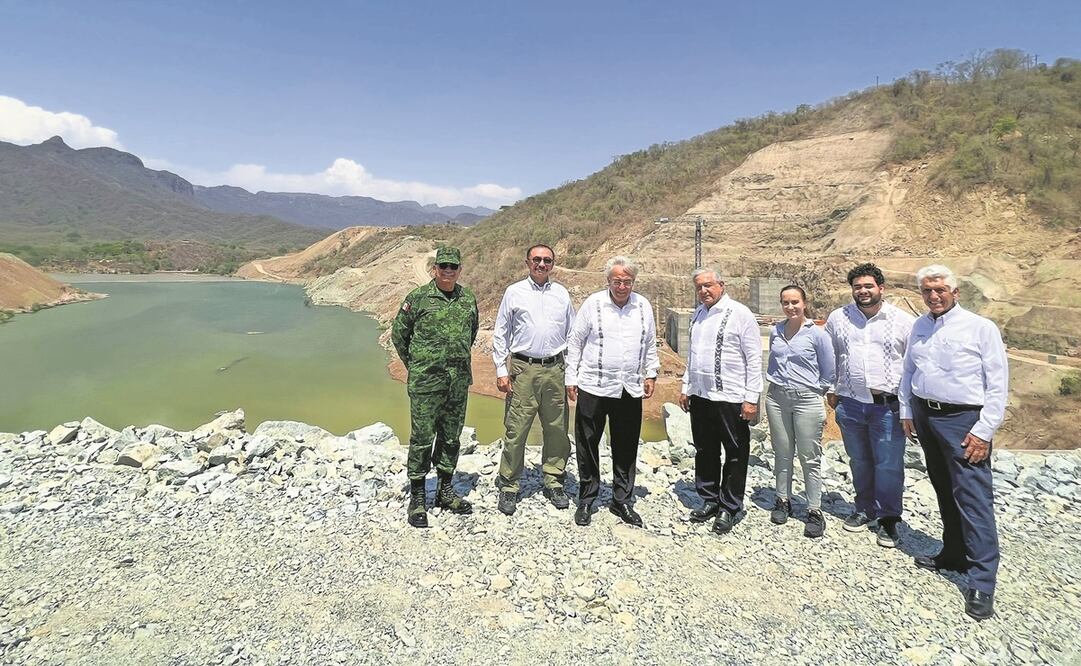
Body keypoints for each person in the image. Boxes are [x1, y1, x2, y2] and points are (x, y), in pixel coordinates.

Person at [900, 264, 1007, 621]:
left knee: (974, 498)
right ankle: (954, 553)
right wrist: (907, 410)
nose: (933, 296)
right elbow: (909, 372)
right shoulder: (920, 325)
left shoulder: (980, 328)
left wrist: (983, 430)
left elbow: (997, 384)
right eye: (927, 291)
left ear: (955, 292)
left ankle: (982, 580)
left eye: (940, 290)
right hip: (926, 416)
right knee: (945, 489)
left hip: (963, 421)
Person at [825, 263, 915, 548]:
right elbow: (830, 355)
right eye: (857, 287)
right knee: (859, 460)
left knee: (888, 465)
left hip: (887, 407)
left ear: (881, 288)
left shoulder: (902, 321)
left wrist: (909, 407)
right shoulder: (838, 318)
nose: (863, 291)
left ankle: (889, 519)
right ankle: (865, 509)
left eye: (868, 286)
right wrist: (831, 388)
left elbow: (913, 365)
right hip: (850, 404)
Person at [565, 256, 659, 527]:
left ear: (633, 282)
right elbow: (575, 341)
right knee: (587, 443)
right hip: (594, 385)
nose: (622, 286)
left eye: (627, 281)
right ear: (608, 281)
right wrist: (571, 377)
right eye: (617, 281)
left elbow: (649, 342)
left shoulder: (643, 306)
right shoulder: (593, 304)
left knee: (626, 444)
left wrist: (651, 372)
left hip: (629, 387)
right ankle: (587, 498)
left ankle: (621, 500)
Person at [391, 246, 479, 528]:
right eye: (443, 267)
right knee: (421, 438)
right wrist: (417, 365)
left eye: (453, 267)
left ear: (459, 269)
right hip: (426, 382)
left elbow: (472, 333)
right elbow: (399, 335)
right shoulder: (417, 299)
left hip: (457, 382)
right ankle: (417, 496)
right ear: (435, 269)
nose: (448, 272)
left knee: (451, 437)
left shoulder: (468, 299)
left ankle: (445, 490)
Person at [491, 243, 576, 515]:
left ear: (553, 264)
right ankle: (509, 485)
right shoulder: (514, 292)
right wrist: (501, 370)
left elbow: (572, 335)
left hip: (555, 369)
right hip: (522, 369)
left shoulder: (561, 294)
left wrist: (572, 374)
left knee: (557, 429)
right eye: (537, 259)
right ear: (528, 262)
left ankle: (553, 479)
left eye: (547, 260)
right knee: (516, 429)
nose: (542, 264)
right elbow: (501, 332)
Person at [679, 268, 762, 535]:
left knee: (735, 453)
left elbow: (754, 357)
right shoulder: (698, 314)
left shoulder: (740, 314)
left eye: (708, 285)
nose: (704, 291)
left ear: (721, 285)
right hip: (702, 395)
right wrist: (686, 387)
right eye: (699, 287)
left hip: (731, 397)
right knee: (705, 450)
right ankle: (709, 499)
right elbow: (693, 356)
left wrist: (751, 398)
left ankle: (730, 506)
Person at [765, 285, 836, 538]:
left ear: (804, 303)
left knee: (809, 456)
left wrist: (817, 392)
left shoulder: (816, 334)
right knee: (782, 452)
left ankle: (814, 509)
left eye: (795, 302)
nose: (790, 307)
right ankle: (782, 500)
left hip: (806, 399)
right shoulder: (776, 330)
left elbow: (829, 369)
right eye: (785, 302)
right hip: (776, 397)